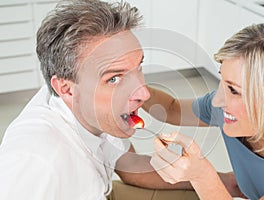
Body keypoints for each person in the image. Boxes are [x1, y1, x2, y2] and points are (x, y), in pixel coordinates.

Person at [0, 0, 241, 199]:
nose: (144, 94)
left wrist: (220, 181)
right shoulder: (36, 162)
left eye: (138, 67)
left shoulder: (95, 107)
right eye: (114, 79)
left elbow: (129, 167)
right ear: (66, 89)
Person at [145, 21, 264, 199]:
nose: (217, 101)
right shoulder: (227, 111)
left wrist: (201, 176)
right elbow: (173, 109)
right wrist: (134, 88)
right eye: (223, 82)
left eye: (234, 90)